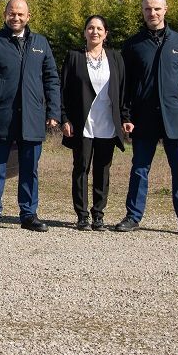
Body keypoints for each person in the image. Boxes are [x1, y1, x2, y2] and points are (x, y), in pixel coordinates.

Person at [0, 0, 60, 232]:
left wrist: (54, 111)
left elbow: (51, 79)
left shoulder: (40, 43)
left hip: (33, 117)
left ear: (28, 17)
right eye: (12, 13)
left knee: (30, 168)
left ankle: (28, 214)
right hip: (0, 116)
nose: (16, 17)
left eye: (20, 14)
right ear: (5, 15)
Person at [117, 0, 178, 236]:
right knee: (140, 169)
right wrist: (127, 115)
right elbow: (126, 84)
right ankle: (133, 217)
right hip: (144, 118)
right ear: (142, 12)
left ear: (165, 9)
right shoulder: (133, 45)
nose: (152, 13)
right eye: (147, 9)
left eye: (156, 9)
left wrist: (173, 98)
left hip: (176, 118)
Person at [60, 15, 129, 231]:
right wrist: (65, 118)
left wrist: (126, 117)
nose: (94, 32)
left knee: (103, 169)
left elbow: (124, 91)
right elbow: (63, 91)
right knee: (81, 167)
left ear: (106, 33)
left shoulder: (116, 58)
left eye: (99, 28)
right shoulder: (74, 57)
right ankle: (82, 215)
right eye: (90, 28)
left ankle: (98, 214)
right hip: (82, 123)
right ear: (84, 32)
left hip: (107, 123)